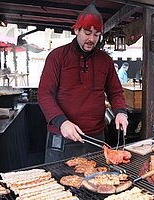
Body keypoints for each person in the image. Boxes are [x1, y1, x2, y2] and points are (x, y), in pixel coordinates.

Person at [38, 4, 128, 163]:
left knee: (97, 182)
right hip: (63, 135)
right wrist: (61, 122)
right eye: (87, 33)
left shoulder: (105, 60)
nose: (92, 39)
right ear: (76, 30)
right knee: (59, 183)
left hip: (96, 137)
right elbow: (44, 95)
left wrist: (120, 112)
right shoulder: (57, 57)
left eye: (96, 34)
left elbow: (115, 92)